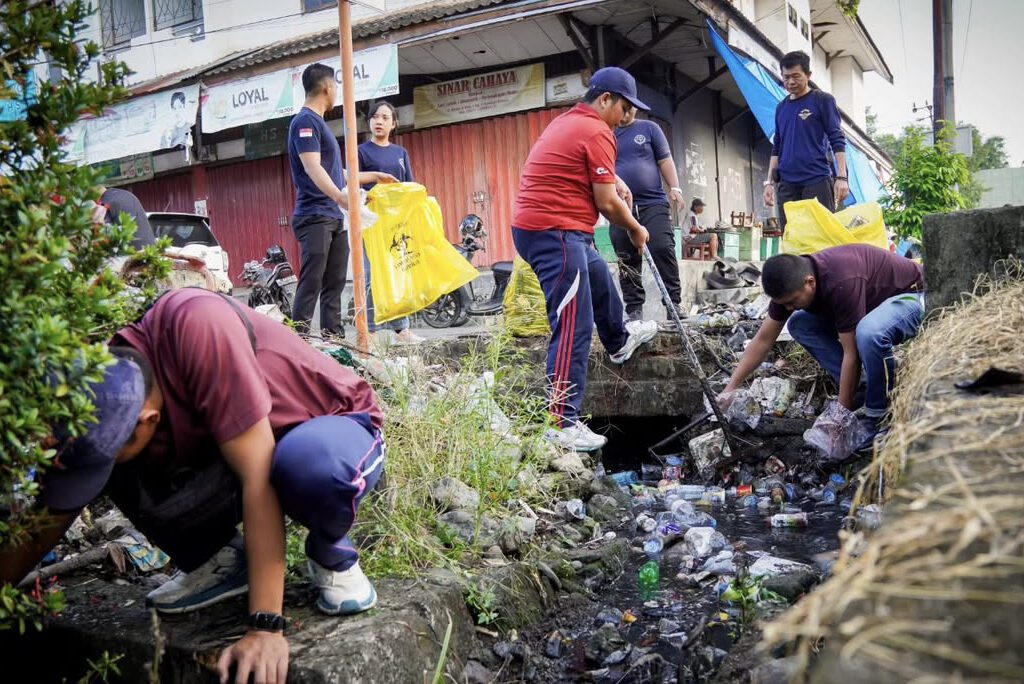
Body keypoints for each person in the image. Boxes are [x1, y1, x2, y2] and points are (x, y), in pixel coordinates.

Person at [0, 288, 386, 684]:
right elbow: (54, 511)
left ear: (148, 420)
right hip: (234, 449)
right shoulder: (101, 387)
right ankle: (220, 561)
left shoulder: (198, 325)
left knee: (306, 468)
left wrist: (266, 628)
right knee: (117, 462)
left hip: (327, 429)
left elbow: (258, 476)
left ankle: (330, 551)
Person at [511, 66, 659, 452]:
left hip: (550, 230)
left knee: (598, 275)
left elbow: (594, 177)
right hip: (554, 232)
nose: (628, 117)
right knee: (574, 322)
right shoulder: (597, 129)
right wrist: (634, 229)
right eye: (624, 108)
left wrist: (616, 179)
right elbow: (607, 203)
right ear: (605, 99)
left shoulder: (569, 122)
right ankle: (561, 422)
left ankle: (620, 340)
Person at [719, 244, 925, 443]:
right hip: (873, 304)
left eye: (793, 301)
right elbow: (763, 340)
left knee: (868, 333)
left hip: (914, 296)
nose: (789, 307)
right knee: (799, 323)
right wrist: (730, 388)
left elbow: (851, 353)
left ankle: (877, 414)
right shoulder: (790, 285)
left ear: (810, 282)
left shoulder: (840, 281)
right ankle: (862, 386)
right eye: (785, 304)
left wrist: (840, 418)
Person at [287, 63, 396, 338]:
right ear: (327, 87)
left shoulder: (319, 125)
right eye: (335, 87)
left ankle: (333, 337)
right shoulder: (305, 122)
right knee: (312, 279)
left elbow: (338, 173)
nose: (336, 92)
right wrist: (339, 196)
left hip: (333, 216)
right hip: (314, 215)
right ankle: (298, 339)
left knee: (334, 281)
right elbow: (313, 167)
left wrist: (374, 175)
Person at [358, 101, 423, 345]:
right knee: (371, 275)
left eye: (385, 117)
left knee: (399, 272)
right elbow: (353, 184)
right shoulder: (361, 152)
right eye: (375, 117)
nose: (379, 121)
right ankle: (371, 331)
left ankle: (402, 330)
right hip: (372, 224)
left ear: (393, 124)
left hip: (397, 225)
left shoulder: (400, 154)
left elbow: (409, 188)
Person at [609, 108, 683, 320]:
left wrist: (675, 188)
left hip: (653, 204)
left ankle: (673, 304)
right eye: (622, 106)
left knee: (662, 247)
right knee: (626, 257)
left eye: (630, 106)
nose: (626, 111)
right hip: (619, 206)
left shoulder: (649, 128)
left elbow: (665, 160)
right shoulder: (607, 134)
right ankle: (634, 310)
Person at [763, 51, 849, 230]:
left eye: (796, 76)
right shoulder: (781, 108)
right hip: (787, 184)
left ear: (808, 75)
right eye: (786, 77)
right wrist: (769, 183)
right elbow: (776, 148)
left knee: (821, 236)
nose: (791, 82)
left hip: (816, 180)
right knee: (792, 239)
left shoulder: (822, 100)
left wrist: (842, 177)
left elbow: (837, 139)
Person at [98, 185, 156, 249]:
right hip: (151, 253)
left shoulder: (104, 204)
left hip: (131, 256)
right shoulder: (126, 195)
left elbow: (103, 238)